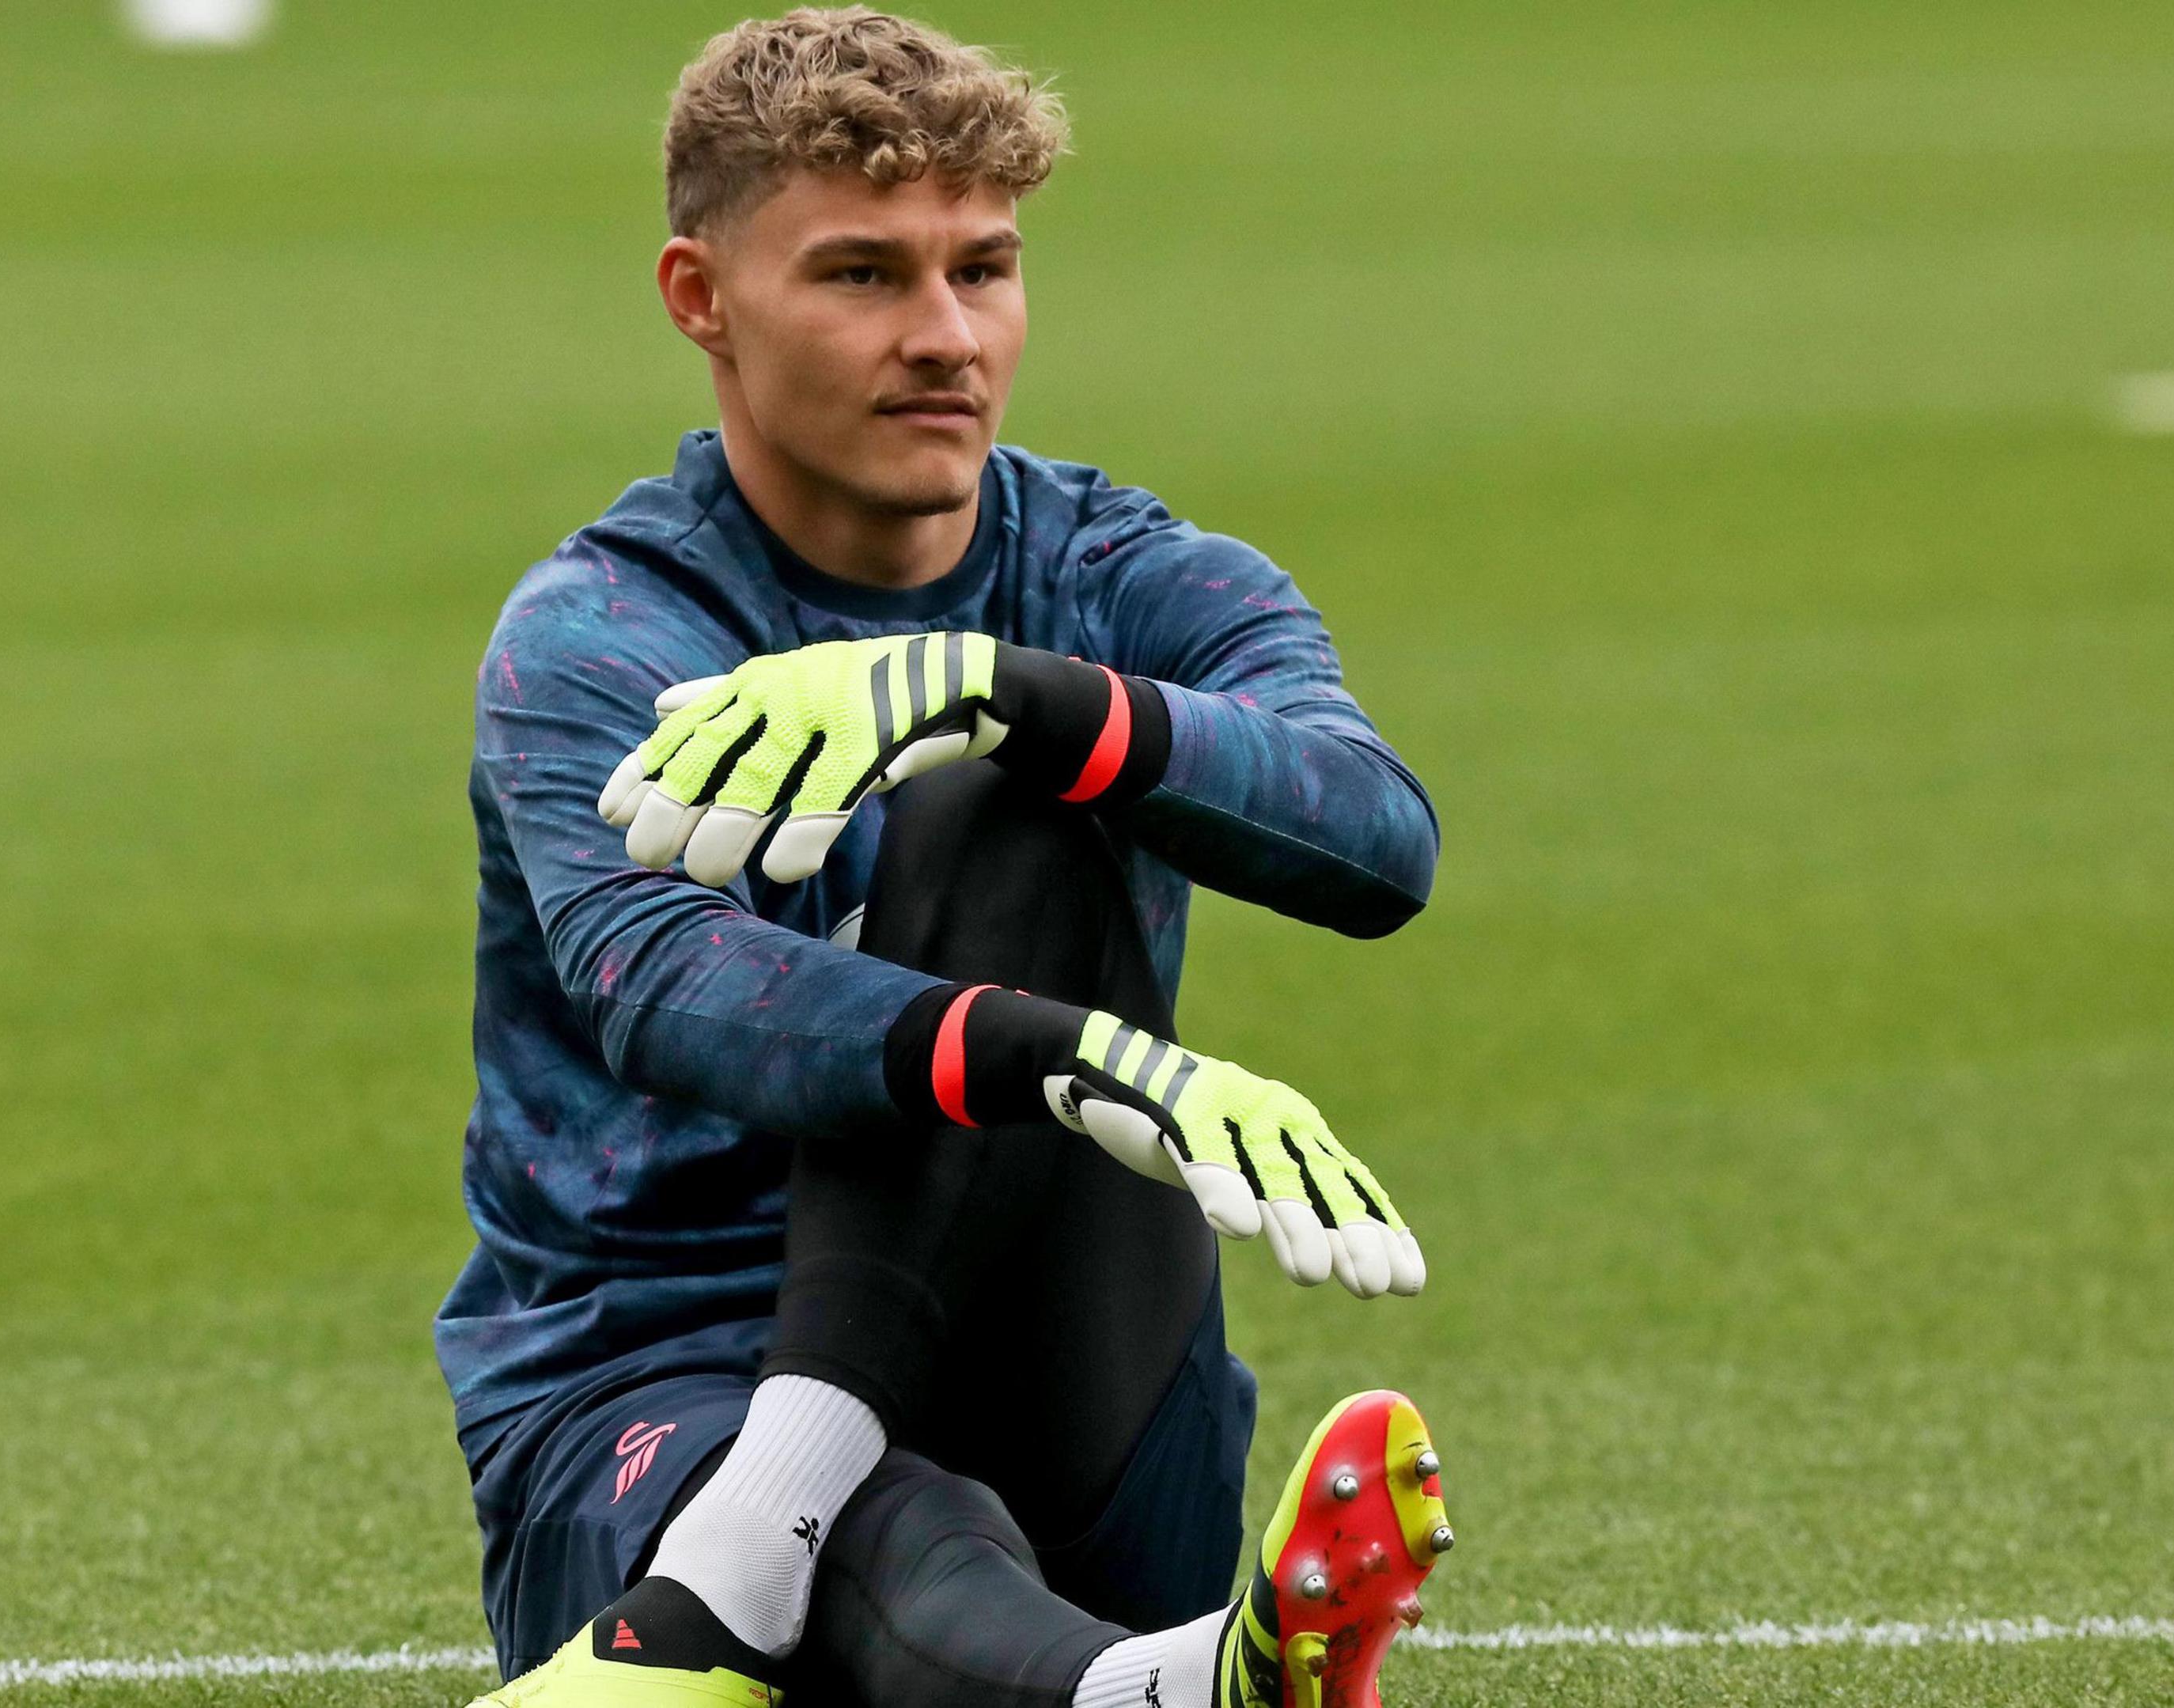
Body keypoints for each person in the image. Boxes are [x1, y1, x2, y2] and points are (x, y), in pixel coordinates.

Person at [440, 13, 1452, 1707]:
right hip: (655, 1390)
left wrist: (1003, 690)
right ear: (702, 299)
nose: (944, 337)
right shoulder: (605, 629)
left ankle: (805, 1623)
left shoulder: (1110, 568)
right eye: (861, 277)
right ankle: (1140, 1686)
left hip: (1062, 1352)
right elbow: (664, 989)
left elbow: (1377, 837)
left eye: (983, 269)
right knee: (905, 1533)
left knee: (1024, 779)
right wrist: (1074, 1052)